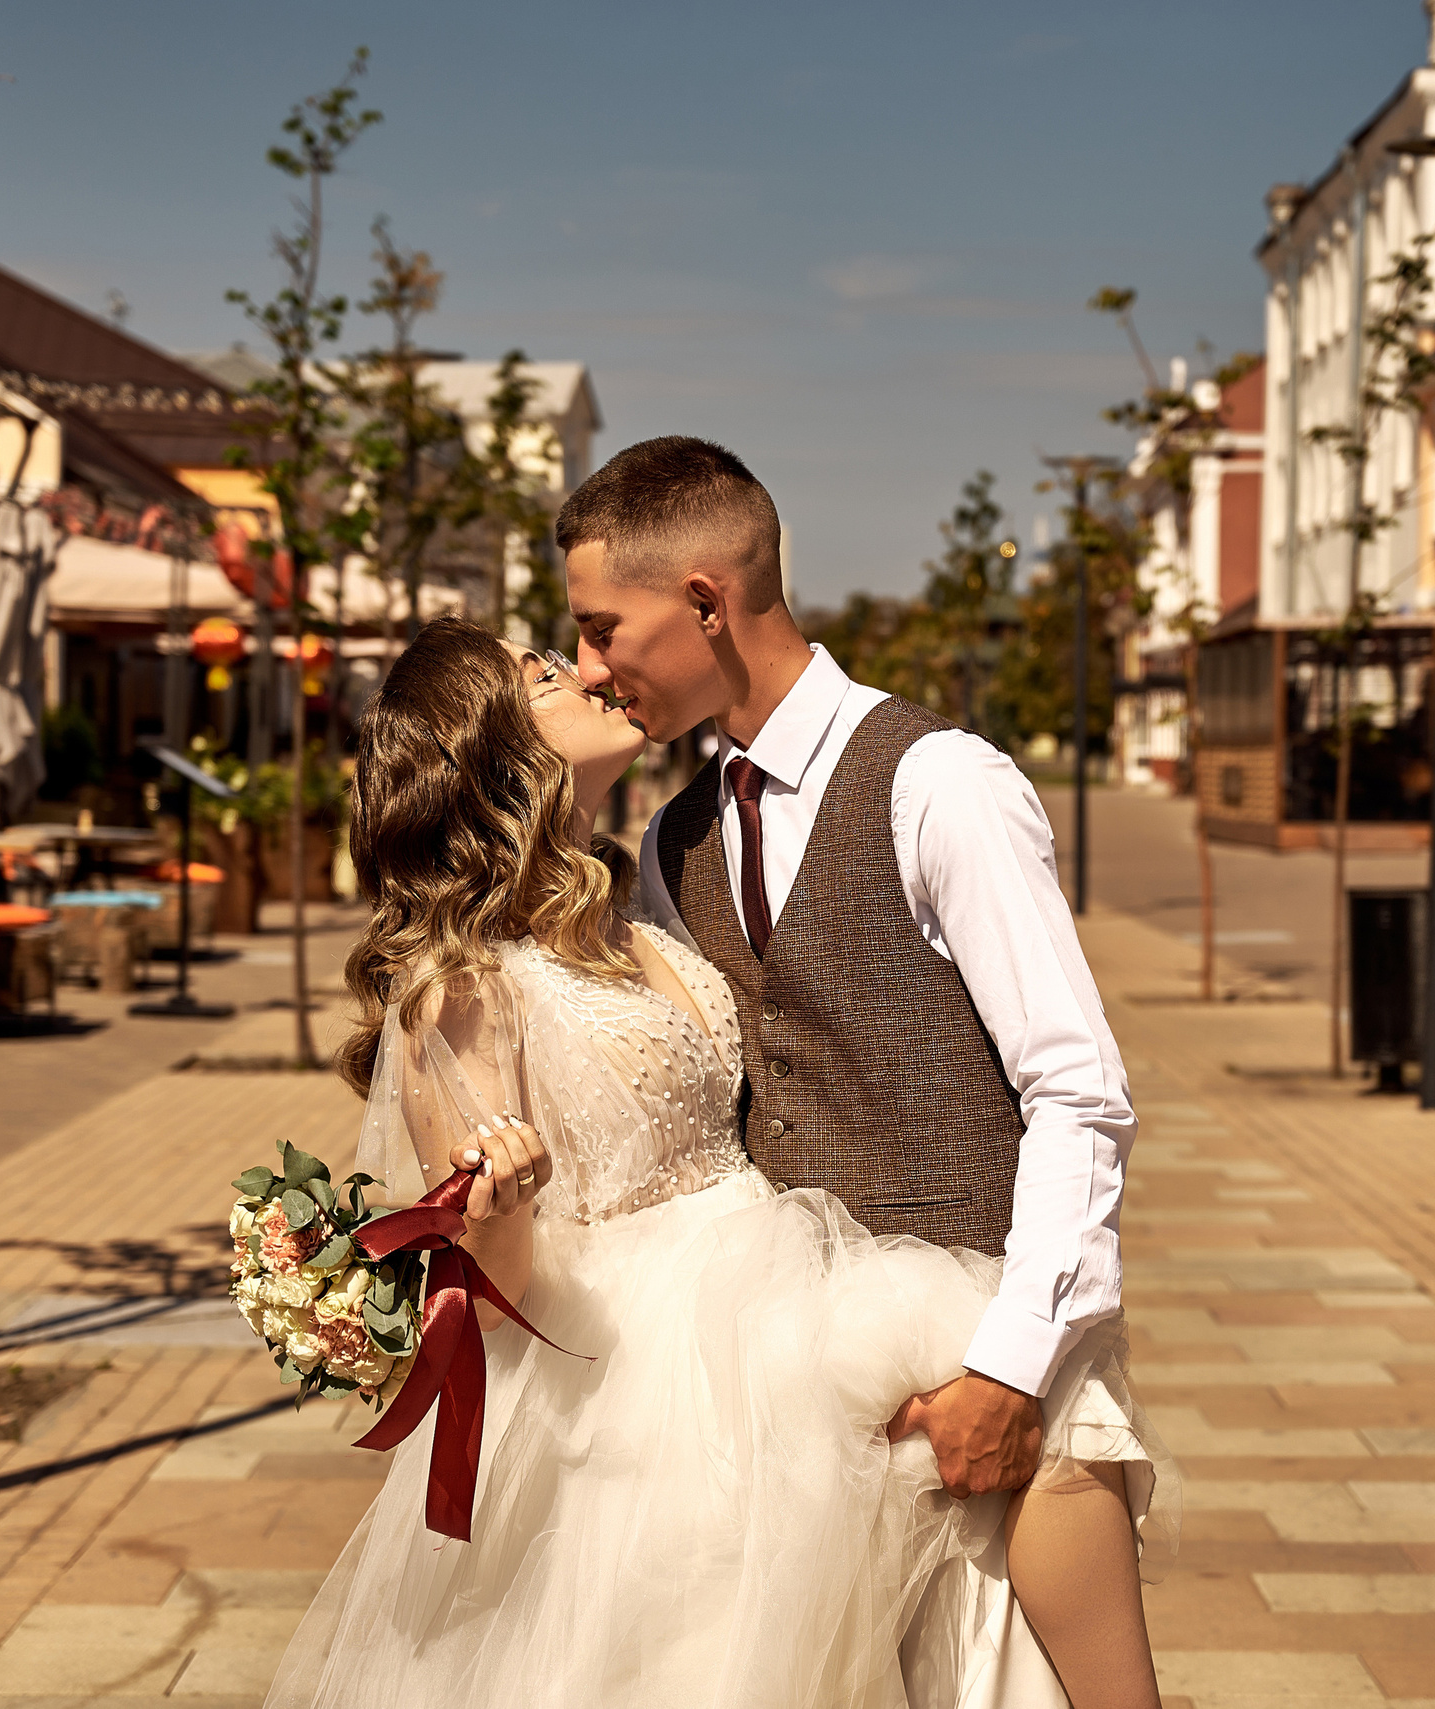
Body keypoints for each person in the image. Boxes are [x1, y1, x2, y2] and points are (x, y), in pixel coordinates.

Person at [266, 614, 1175, 1709]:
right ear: (491, 742)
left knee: (1041, 1384)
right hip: (640, 1349)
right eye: (546, 671)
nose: (586, 671)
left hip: (777, 1257)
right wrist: (498, 1207)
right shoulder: (459, 984)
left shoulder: (642, 896)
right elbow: (495, 1293)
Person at [565, 437, 1172, 1708]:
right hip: (806, 1408)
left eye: (600, 625)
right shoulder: (677, 837)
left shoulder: (938, 784)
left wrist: (1010, 1368)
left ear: (703, 600)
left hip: (992, 1373)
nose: (590, 663)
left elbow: (1078, 1092)